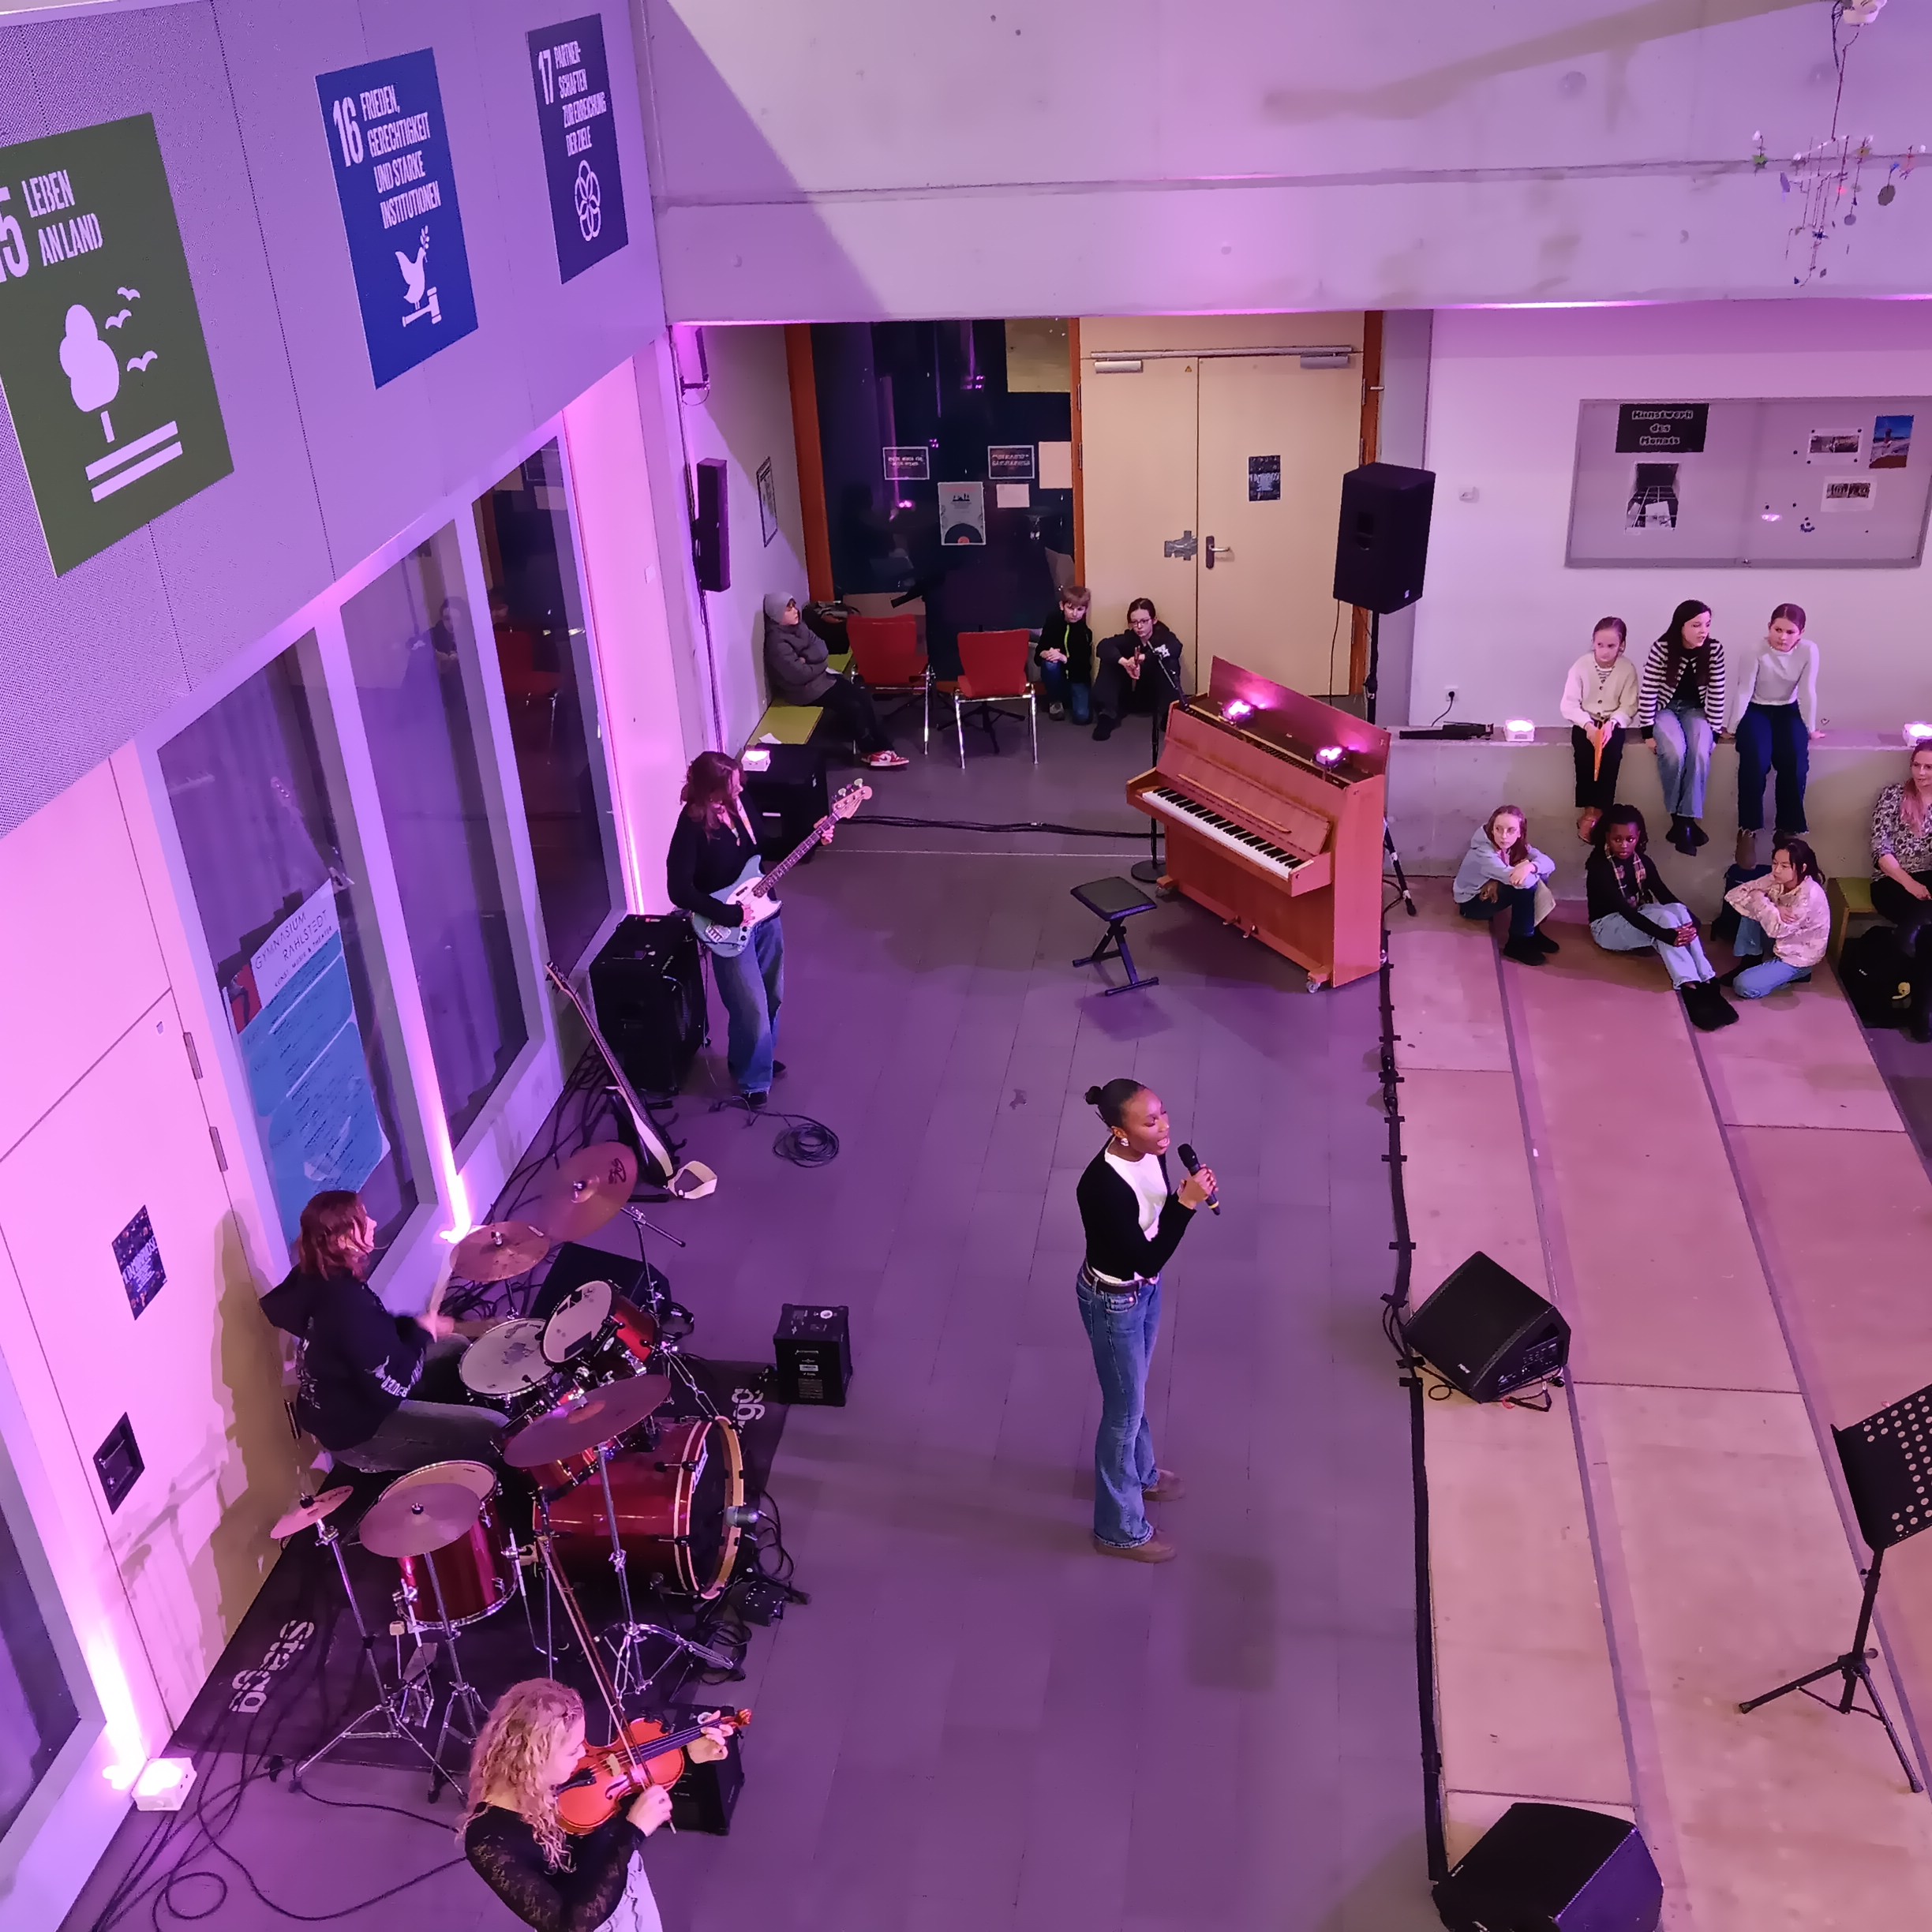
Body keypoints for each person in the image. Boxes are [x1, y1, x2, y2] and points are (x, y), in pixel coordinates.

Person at [1073, 1080, 1215, 1564]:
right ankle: (1118, 1531)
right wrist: (1186, 1204)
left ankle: (1142, 1474)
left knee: (1132, 1396)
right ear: (1120, 1131)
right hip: (1114, 1302)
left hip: (1142, 1291)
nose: (1164, 1127)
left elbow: (1153, 1229)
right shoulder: (1101, 1187)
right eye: (1150, 1121)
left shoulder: (1151, 1152)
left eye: (1163, 1113)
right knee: (1123, 1413)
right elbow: (1148, 1256)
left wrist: (1182, 1199)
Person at [260, 1192, 504, 1471]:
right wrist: (423, 1333)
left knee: (455, 1347)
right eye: (363, 1219)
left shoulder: (321, 1274)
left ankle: (450, 1422)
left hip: (353, 1395)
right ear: (342, 1241)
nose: (373, 1223)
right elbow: (393, 1385)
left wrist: (416, 1327)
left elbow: (373, 1333)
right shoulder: (345, 1305)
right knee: (496, 1430)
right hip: (361, 1433)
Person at [463, 1678, 731, 1932]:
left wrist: (685, 1750)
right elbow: (570, 1925)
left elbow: (619, 1788)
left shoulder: (566, 1774)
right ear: (533, 1759)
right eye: (573, 1750)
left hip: (631, 1893)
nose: (584, 1755)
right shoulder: (487, 1841)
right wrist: (633, 1833)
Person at [666, 752, 790, 1106]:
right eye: (732, 786)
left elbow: (764, 847)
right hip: (727, 924)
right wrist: (728, 914)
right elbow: (679, 890)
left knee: (772, 994)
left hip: (764, 912)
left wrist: (811, 835)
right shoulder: (690, 827)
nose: (740, 789)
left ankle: (756, 1056)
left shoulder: (741, 804)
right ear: (712, 791)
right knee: (749, 1004)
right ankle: (753, 1081)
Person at [1585, 807, 1733, 1029]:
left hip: (1636, 916)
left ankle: (1707, 977)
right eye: (1617, 839)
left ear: (1638, 837)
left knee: (1677, 911)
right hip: (1606, 927)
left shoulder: (1642, 861)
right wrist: (1668, 936)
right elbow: (1626, 912)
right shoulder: (1600, 867)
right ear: (1606, 836)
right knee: (1665, 920)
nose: (1624, 845)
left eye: (1630, 839)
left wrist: (1692, 923)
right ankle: (1689, 986)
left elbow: (1664, 895)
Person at [761, 594, 908, 770]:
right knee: (852, 705)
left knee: (862, 695)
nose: (795, 611)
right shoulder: (777, 643)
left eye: (794, 605)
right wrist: (818, 663)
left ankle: (884, 748)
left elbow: (822, 648)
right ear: (777, 614)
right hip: (804, 691)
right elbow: (799, 674)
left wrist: (807, 660)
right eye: (788, 608)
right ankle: (870, 751)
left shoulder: (799, 626)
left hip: (821, 679)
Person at [1731, 602, 1821, 869]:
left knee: (1795, 760)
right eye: (1777, 630)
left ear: (1801, 633)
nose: (1782, 637)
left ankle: (1787, 830)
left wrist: (1810, 727)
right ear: (1769, 627)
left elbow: (1808, 691)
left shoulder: (1808, 651)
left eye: (1790, 632)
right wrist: (1732, 727)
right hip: (1756, 709)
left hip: (1787, 710)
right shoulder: (1754, 651)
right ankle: (1748, 829)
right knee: (1756, 760)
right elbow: (1744, 690)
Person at [1637, 600, 1728, 856]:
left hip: (1696, 710)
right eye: (1696, 625)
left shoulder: (1714, 650)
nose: (1703, 631)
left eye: (1707, 624)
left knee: (1700, 752)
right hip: (1665, 708)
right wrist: (1647, 731)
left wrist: (1715, 732)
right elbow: (1649, 691)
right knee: (1674, 751)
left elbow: (1717, 692)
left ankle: (1686, 820)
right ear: (1681, 626)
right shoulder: (1662, 648)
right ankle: (1678, 818)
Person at [1871, 740, 1932, 1043]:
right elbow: (1880, 850)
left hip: (1929, 882)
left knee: (1928, 934)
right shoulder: (1893, 795)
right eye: (1916, 765)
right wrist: (1910, 884)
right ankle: (1923, 1014)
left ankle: (1920, 1011)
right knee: (1929, 932)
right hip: (1892, 880)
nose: (1921, 772)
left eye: (1929, 767)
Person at [1559, 617, 1639, 842]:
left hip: (1612, 723)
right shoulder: (1581, 666)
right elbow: (1569, 704)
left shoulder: (1627, 669)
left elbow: (1629, 705)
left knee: (1611, 758)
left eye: (1611, 646)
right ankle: (1588, 812)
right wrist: (1588, 726)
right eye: (1600, 645)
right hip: (1586, 721)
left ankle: (1602, 812)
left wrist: (1613, 723)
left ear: (1622, 645)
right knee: (1584, 757)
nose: (1604, 651)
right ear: (1593, 643)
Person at [1720, 837, 1829, 999]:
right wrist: (1775, 907)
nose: (1777, 870)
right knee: (1751, 908)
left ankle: (1801, 973)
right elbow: (1735, 894)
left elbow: (1777, 930)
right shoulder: (1776, 878)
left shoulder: (1808, 896)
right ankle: (1750, 961)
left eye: (1784, 866)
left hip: (1796, 955)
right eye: (1775, 863)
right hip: (1779, 940)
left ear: (1802, 868)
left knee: (1742, 985)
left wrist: (1761, 899)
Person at [1451, 806, 1559, 966]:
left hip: (1491, 889)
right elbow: (1524, 882)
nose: (1504, 836)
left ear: (1520, 832)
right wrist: (1529, 868)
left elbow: (1549, 863)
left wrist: (1530, 866)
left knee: (1538, 873)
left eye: (1511, 830)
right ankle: (1518, 943)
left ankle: (1532, 930)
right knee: (1525, 887)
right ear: (1491, 829)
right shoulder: (1483, 852)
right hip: (1471, 903)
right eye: (1498, 829)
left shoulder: (1516, 845)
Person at [1091, 599, 1184, 743]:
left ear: (1154, 620)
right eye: (1134, 622)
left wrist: (1145, 657)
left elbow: (1176, 647)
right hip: (1131, 695)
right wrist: (1124, 662)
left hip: (1155, 696)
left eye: (1144, 621)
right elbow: (1103, 646)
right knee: (1110, 661)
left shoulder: (1164, 636)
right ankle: (1107, 716)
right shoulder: (1129, 638)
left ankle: (1169, 714)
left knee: (1169, 661)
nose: (1139, 627)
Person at [1034, 584, 1094, 723]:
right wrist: (1045, 653)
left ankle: (1070, 698)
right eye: (1070, 608)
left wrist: (1064, 658)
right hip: (1058, 676)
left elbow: (1084, 667)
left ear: (1085, 610)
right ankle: (1055, 700)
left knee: (1082, 717)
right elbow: (1038, 655)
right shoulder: (1053, 621)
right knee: (1051, 664)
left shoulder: (1084, 632)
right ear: (1062, 606)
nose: (1075, 614)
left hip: (1077, 679)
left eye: (1080, 609)